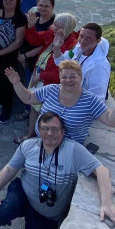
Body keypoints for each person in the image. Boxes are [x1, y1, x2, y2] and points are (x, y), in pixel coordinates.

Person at [5, 60, 115, 145]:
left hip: (67, 148)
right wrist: (16, 83)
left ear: (81, 78)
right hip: (42, 140)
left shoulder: (90, 100)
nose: (68, 80)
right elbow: (28, 98)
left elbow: (111, 121)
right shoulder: (51, 89)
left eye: (73, 77)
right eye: (64, 77)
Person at [14, 13, 78, 144]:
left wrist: (41, 76)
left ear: (65, 28)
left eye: (56, 24)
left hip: (48, 83)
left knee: (43, 113)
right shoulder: (53, 34)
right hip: (39, 77)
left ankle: (37, 139)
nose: (52, 26)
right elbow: (35, 40)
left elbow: (62, 72)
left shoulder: (72, 47)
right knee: (34, 108)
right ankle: (31, 135)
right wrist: (31, 27)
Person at [52, 23, 111, 99]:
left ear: (98, 40)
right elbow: (61, 62)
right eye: (81, 36)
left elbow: (97, 97)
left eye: (88, 38)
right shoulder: (78, 49)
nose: (83, 41)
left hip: (81, 104)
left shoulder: (100, 64)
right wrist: (56, 48)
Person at [18, 0, 59, 86]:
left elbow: (45, 45)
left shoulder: (54, 23)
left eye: (46, 6)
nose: (43, 8)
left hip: (36, 60)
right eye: (40, 5)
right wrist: (19, 53)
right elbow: (23, 34)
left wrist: (24, 56)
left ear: (52, 7)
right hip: (23, 55)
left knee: (31, 85)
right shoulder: (34, 16)